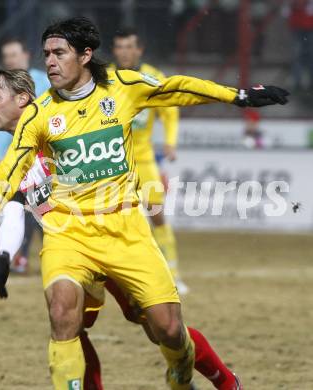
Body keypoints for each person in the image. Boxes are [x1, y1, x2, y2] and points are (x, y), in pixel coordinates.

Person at [0, 17, 288, 390]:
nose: (50, 62)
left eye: (59, 53)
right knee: (63, 317)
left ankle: (187, 374)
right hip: (69, 235)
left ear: (85, 55)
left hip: (126, 230)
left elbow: (176, 88)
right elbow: (8, 171)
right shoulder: (39, 114)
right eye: (46, 55)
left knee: (166, 329)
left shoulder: (122, 87)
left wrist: (239, 96)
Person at [0, 68, 243, 390]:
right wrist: (4, 253)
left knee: (162, 328)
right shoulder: (16, 158)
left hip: (116, 237)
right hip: (74, 248)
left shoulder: (57, 131)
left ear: (23, 100)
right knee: (69, 325)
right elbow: (14, 205)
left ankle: (224, 381)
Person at [111, 27, 187, 295]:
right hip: (111, 162)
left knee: (157, 215)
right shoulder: (105, 77)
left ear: (139, 49)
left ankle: (173, 273)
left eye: (129, 46)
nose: (124, 52)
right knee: (110, 219)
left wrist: (170, 141)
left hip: (143, 159)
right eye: (119, 47)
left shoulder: (153, 77)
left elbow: (170, 112)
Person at [0, 38, 51, 273]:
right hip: (22, 156)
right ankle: (23, 256)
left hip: (47, 153)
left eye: (14, 54)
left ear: (26, 55)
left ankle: (29, 255)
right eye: (6, 56)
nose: (10, 60)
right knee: (29, 203)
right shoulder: (2, 89)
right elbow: (3, 128)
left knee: (42, 206)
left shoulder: (45, 81)